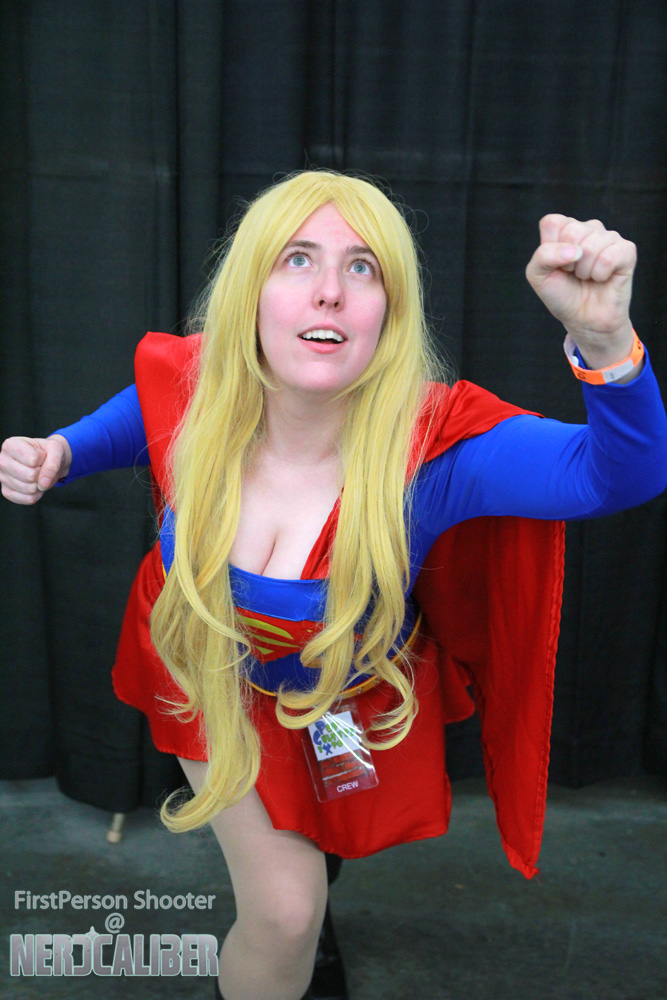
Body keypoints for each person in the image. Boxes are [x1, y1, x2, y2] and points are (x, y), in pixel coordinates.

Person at [2, 170, 666, 1000]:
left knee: (327, 836)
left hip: (344, 694)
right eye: (297, 259)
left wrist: (605, 341)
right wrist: (64, 450)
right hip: (207, 674)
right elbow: (149, 405)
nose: (329, 291)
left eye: (362, 268)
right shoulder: (204, 388)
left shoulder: (436, 451)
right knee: (285, 913)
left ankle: (314, 891)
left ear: (389, 308)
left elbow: (620, 475)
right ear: (250, 291)